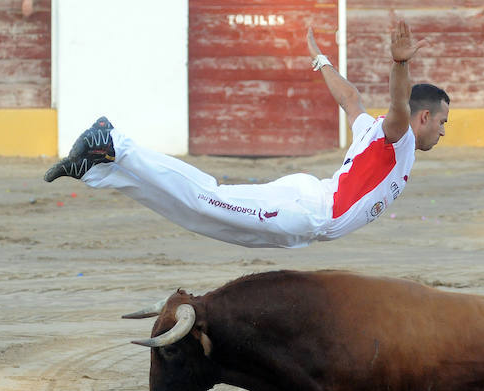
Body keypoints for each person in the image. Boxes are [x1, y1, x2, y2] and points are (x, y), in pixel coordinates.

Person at [43, 19, 449, 248]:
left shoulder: (377, 133)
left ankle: (102, 168)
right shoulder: (401, 137)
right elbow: (397, 106)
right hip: (308, 210)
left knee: (200, 219)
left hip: (306, 211)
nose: (444, 133)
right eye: (443, 122)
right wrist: (399, 67)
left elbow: (350, 100)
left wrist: (320, 59)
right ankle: (114, 142)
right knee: (207, 201)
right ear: (425, 117)